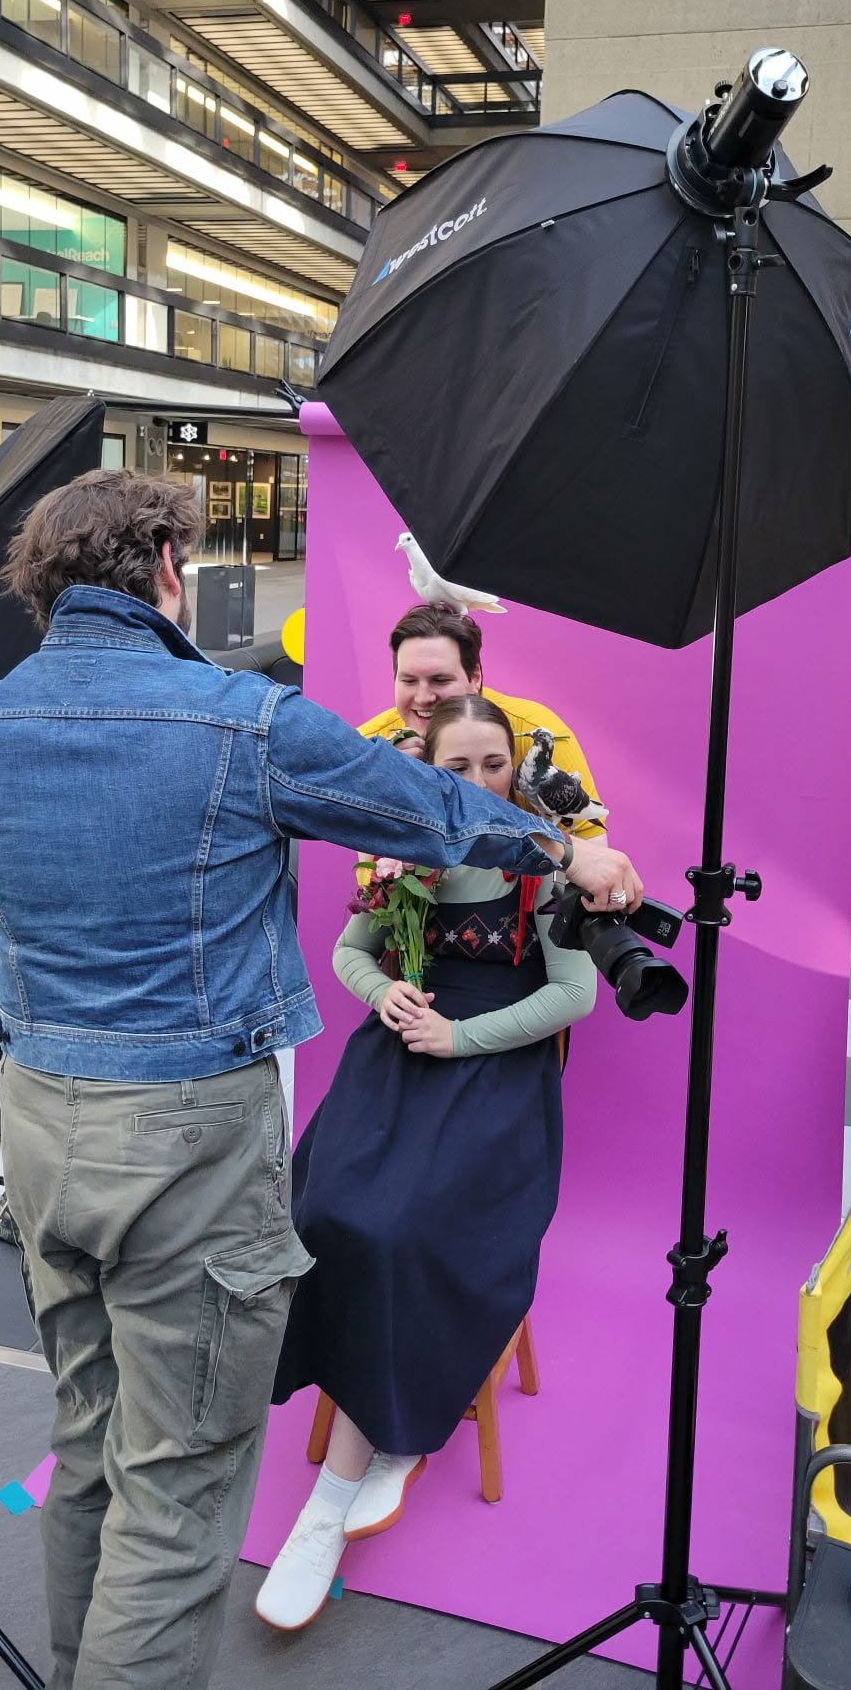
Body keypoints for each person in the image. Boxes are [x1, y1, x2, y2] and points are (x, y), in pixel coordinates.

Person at [0, 472, 643, 1690]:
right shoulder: (241, 722)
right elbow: (432, 807)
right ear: (164, 566)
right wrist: (567, 849)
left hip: (39, 1122)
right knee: (180, 1476)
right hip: (189, 1140)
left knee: (92, 1435)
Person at [258, 695, 599, 1630]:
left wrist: (462, 1035)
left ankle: (340, 1484)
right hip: (397, 1059)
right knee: (319, 1210)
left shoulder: (545, 874)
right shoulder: (400, 859)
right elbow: (346, 952)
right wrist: (389, 995)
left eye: (495, 765)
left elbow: (574, 997)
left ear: (516, 771)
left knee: (395, 1226)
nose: (478, 782)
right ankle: (387, 1416)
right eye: (457, 768)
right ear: (427, 774)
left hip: (491, 1079)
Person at [359, 602, 605, 836]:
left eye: (441, 680)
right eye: (409, 681)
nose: (423, 697)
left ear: (475, 677)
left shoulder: (537, 733)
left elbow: (596, 859)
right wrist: (388, 784)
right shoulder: (369, 746)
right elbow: (374, 868)